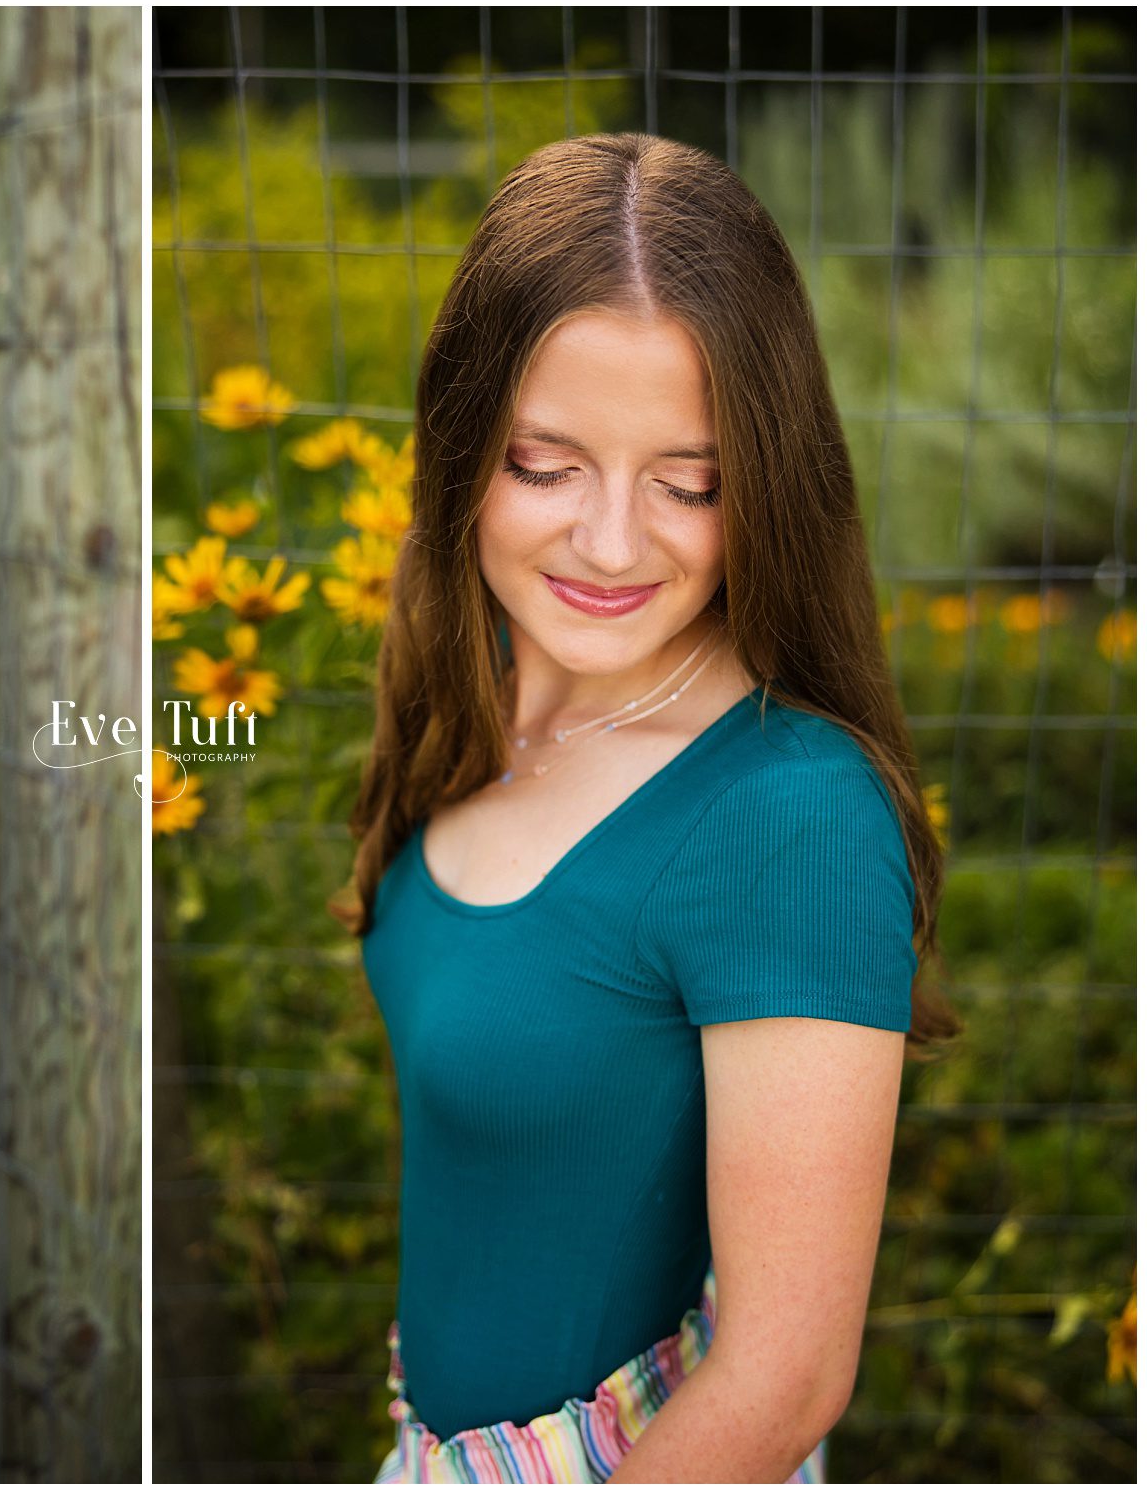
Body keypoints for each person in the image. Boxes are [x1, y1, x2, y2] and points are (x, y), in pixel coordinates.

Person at [335, 134, 961, 1483]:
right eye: (544, 463)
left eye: (693, 480)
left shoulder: (785, 812)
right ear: (458, 447)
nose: (612, 543)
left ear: (771, 484)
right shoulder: (475, 691)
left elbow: (785, 1381)